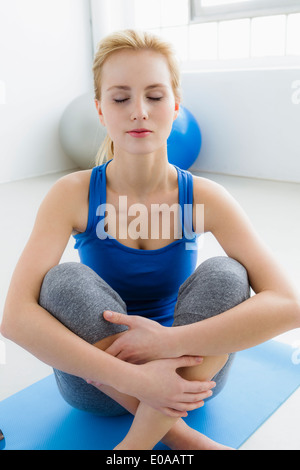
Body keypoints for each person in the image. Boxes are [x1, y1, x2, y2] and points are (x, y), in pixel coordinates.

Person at [1, 29, 299, 451]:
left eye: (155, 97)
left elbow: (289, 305)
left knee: (228, 273)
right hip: (101, 386)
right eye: (120, 98)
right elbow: (14, 318)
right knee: (62, 280)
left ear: (176, 105)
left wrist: (166, 342)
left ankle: (135, 446)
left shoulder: (206, 196)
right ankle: (180, 437)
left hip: (188, 376)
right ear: (100, 110)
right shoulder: (71, 194)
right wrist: (137, 378)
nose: (138, 111)